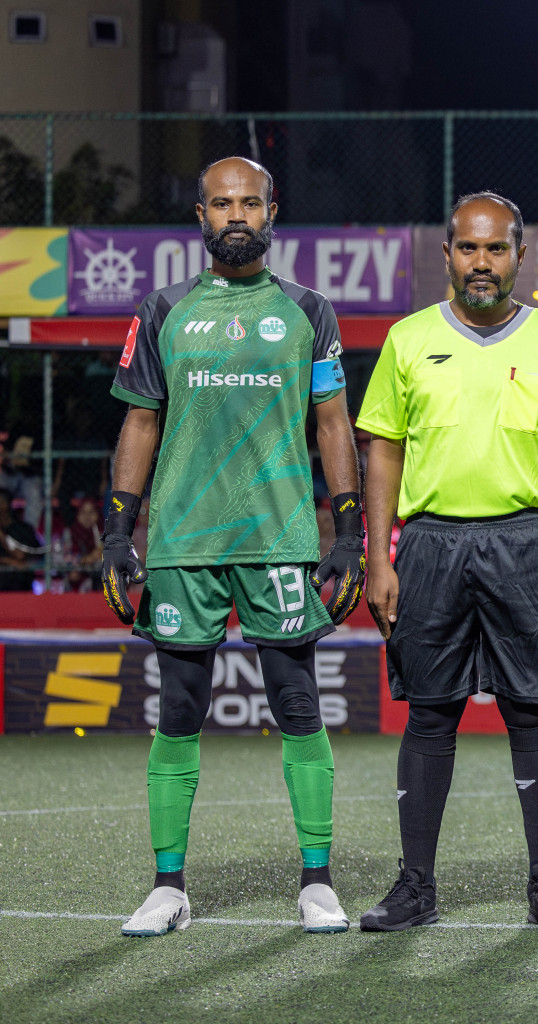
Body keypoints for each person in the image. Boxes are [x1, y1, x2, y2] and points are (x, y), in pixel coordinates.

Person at [104, 156, 364, 937]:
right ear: (200, 216)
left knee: (297, 706)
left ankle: (317, 881)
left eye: (250, 201)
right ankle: (168, 887)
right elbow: (140, 423)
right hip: (183, 544)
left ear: (273, 210)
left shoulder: (309, 311)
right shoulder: (161, 311)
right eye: (222, 203)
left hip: (279, 542)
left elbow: (332, 425)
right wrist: (120, 531)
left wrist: (348, 530)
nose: (237, 214)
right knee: (178, 711)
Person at [356, 192, 538, 932]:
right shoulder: (407, 339)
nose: (481, 263)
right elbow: (384, 449)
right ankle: (415, 886)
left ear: (520, 255)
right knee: (430, 714)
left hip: (527, 542)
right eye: (467, 248)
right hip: (429, 544)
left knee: (532, 711)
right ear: (448, 254)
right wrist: (379, 555)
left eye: (495, 249)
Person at [0, 486, 44, 591]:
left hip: (20, 585)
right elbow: (16, 561)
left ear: (5, 505)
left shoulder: (23, 529)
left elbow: (20, 555)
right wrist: (8, 561)